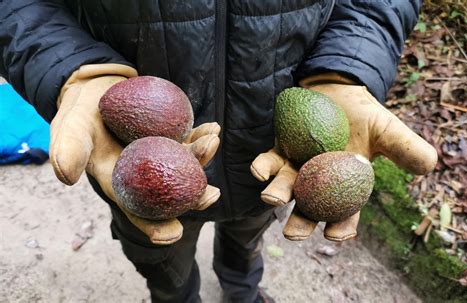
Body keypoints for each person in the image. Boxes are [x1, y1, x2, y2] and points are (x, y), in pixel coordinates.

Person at [0, 1, 438, 302]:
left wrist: (344, 68)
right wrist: (71, 67)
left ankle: (241, 289)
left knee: (248, 241)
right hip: (131, 156)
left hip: (271, 161)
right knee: (162, 262)